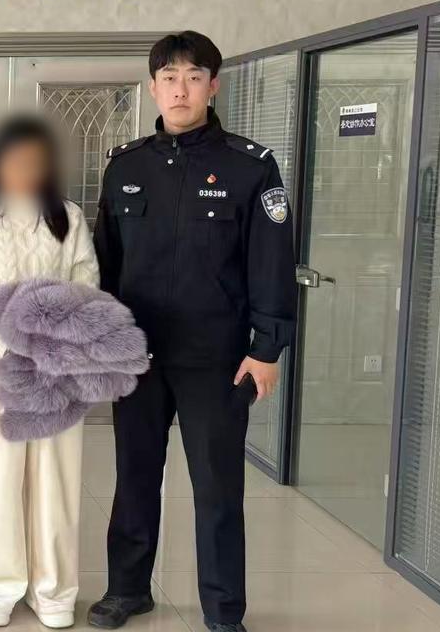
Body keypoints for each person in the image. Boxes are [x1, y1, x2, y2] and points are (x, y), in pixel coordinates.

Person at [87, 31, 297, 632]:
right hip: (139, 356)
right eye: (169, 77)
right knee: (134, 477)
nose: (181, 89)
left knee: (217, 488)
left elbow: (271, 263)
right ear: (153, 87)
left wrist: (267, 348)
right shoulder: (126, 166)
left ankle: (224, 610)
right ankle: (128, 590)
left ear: (213, 86)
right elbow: (105, 262)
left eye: (193, 77)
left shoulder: (250, 166)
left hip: (217, 359)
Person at [0, 115, 100, 629]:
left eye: (35, 161)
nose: (24, 170)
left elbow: (86, 282)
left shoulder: (68, 218)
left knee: (56, 477)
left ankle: (53, 590)